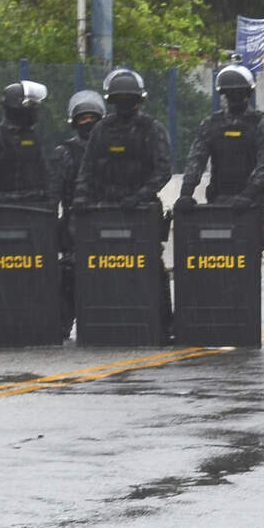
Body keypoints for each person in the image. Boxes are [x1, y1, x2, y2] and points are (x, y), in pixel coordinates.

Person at [73, 67, 174, 337]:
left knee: (150, 266)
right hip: (104, 209)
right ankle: (106, 321)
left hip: (141, 211)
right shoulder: (101, 130)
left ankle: (163, 325)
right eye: (120, 100)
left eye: (129, 100)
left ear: (138, 101)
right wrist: (81, 196)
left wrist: (140, 196)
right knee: (105, 266)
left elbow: (163, 169)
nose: (125, 105)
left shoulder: (152, 129)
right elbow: (87, 168)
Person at [178, 65, 264, 213]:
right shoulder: (211, 124)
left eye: (239, 93)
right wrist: (186, 193)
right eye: (229, 93)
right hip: (219, 199)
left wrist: (248, 194)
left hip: (254, 204)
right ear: (223, 94)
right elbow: (196, 159)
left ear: (248, 93)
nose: (234, 97)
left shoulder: (263, 124)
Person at [49, 90, 105, 324]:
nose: (88, 123)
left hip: (110, 219)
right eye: (83, 119)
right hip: (76, 223)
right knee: (70, 271)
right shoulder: (64, 153)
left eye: (93, 118)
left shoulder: (110, 147)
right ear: (74, 122)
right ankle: (63, 322)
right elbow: (53, 193)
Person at [0, 81, 53, 207]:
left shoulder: (35, 136)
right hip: (2, 208)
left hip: (34, 207)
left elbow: (46, 171)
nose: (34, 111)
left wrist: (51, 196)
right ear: (16, 108)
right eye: (31, 106)